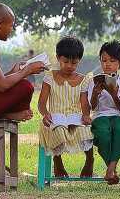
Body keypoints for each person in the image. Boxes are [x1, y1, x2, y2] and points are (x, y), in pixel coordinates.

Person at [38, 36, 94, 178]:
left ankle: (89, 160)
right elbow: (41, 104)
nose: (69, 66)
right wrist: (45, 115)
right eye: (65, 62)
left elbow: (84, 103)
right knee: (58, 130)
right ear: (58, 58)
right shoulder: (49, 77)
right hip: (55, 118)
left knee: (86, 131)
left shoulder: (83, 80)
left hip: (76, 118)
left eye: (74, 63)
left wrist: (86, 116)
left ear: (79, 60)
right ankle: (58, 163)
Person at [82, 40, 120, 184]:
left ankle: (110, 168)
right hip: (100, 116)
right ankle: (112, 170)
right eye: (104, 60)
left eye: (112, 60)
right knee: (103, 132)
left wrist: (113, 94)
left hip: (118, 116)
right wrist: (94, 95)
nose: (107, 64)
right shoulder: (94, 81)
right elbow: (93, 107)